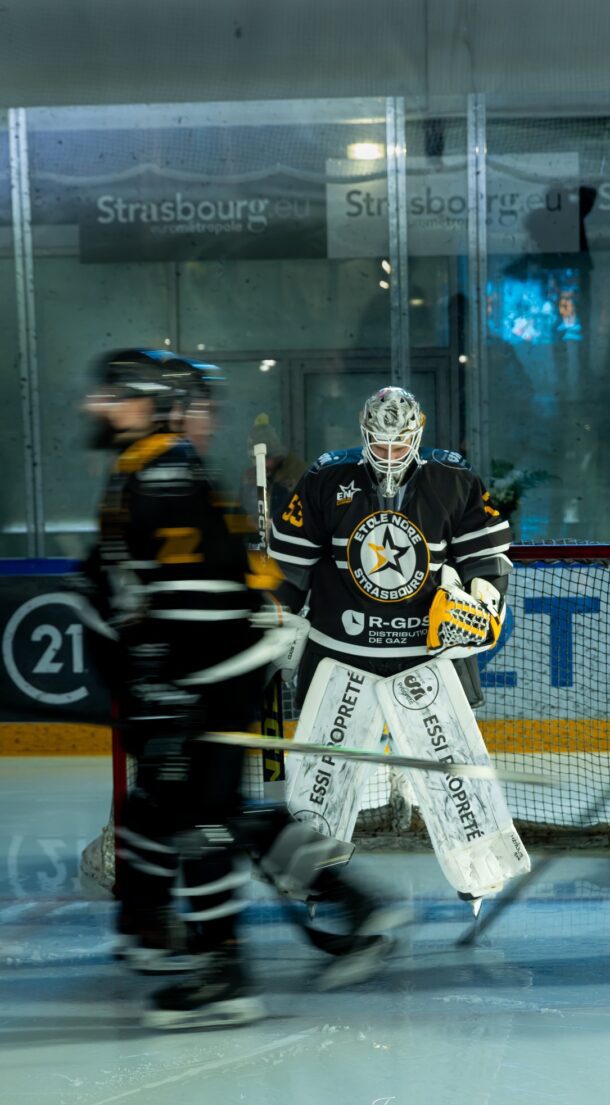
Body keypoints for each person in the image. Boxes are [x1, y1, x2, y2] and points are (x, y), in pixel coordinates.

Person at [78, 349, 406, 1030]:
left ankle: (219, 967)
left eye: (115, 394)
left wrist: (166, 686)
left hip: (210, 676)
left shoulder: (163, 473)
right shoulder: (144, 470)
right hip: (208, 672)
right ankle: (335, 907)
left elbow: (195, 600)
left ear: (151, 404)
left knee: (200, 818)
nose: (96, 405)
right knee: (199, 810)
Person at [267, 386, 530, 913]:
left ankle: (482, 872)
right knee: (321, 775)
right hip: (340, 651)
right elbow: (288, 570)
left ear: (419, 434)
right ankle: (307, 878)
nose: (389, 456)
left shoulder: (453, 478)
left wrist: (483, 595)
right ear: (363, 435)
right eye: (378, 444)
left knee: (454, 773)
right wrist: (276, 614)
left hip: (425, 654)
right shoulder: (324, 478)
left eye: (400, 443)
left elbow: (487, 558)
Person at [240, 413, 306, 523]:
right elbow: (242, 515)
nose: (260, 464)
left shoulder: (299, 472)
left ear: (276, 454)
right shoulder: (249, 478)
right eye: (255, 458)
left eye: (265, 458)